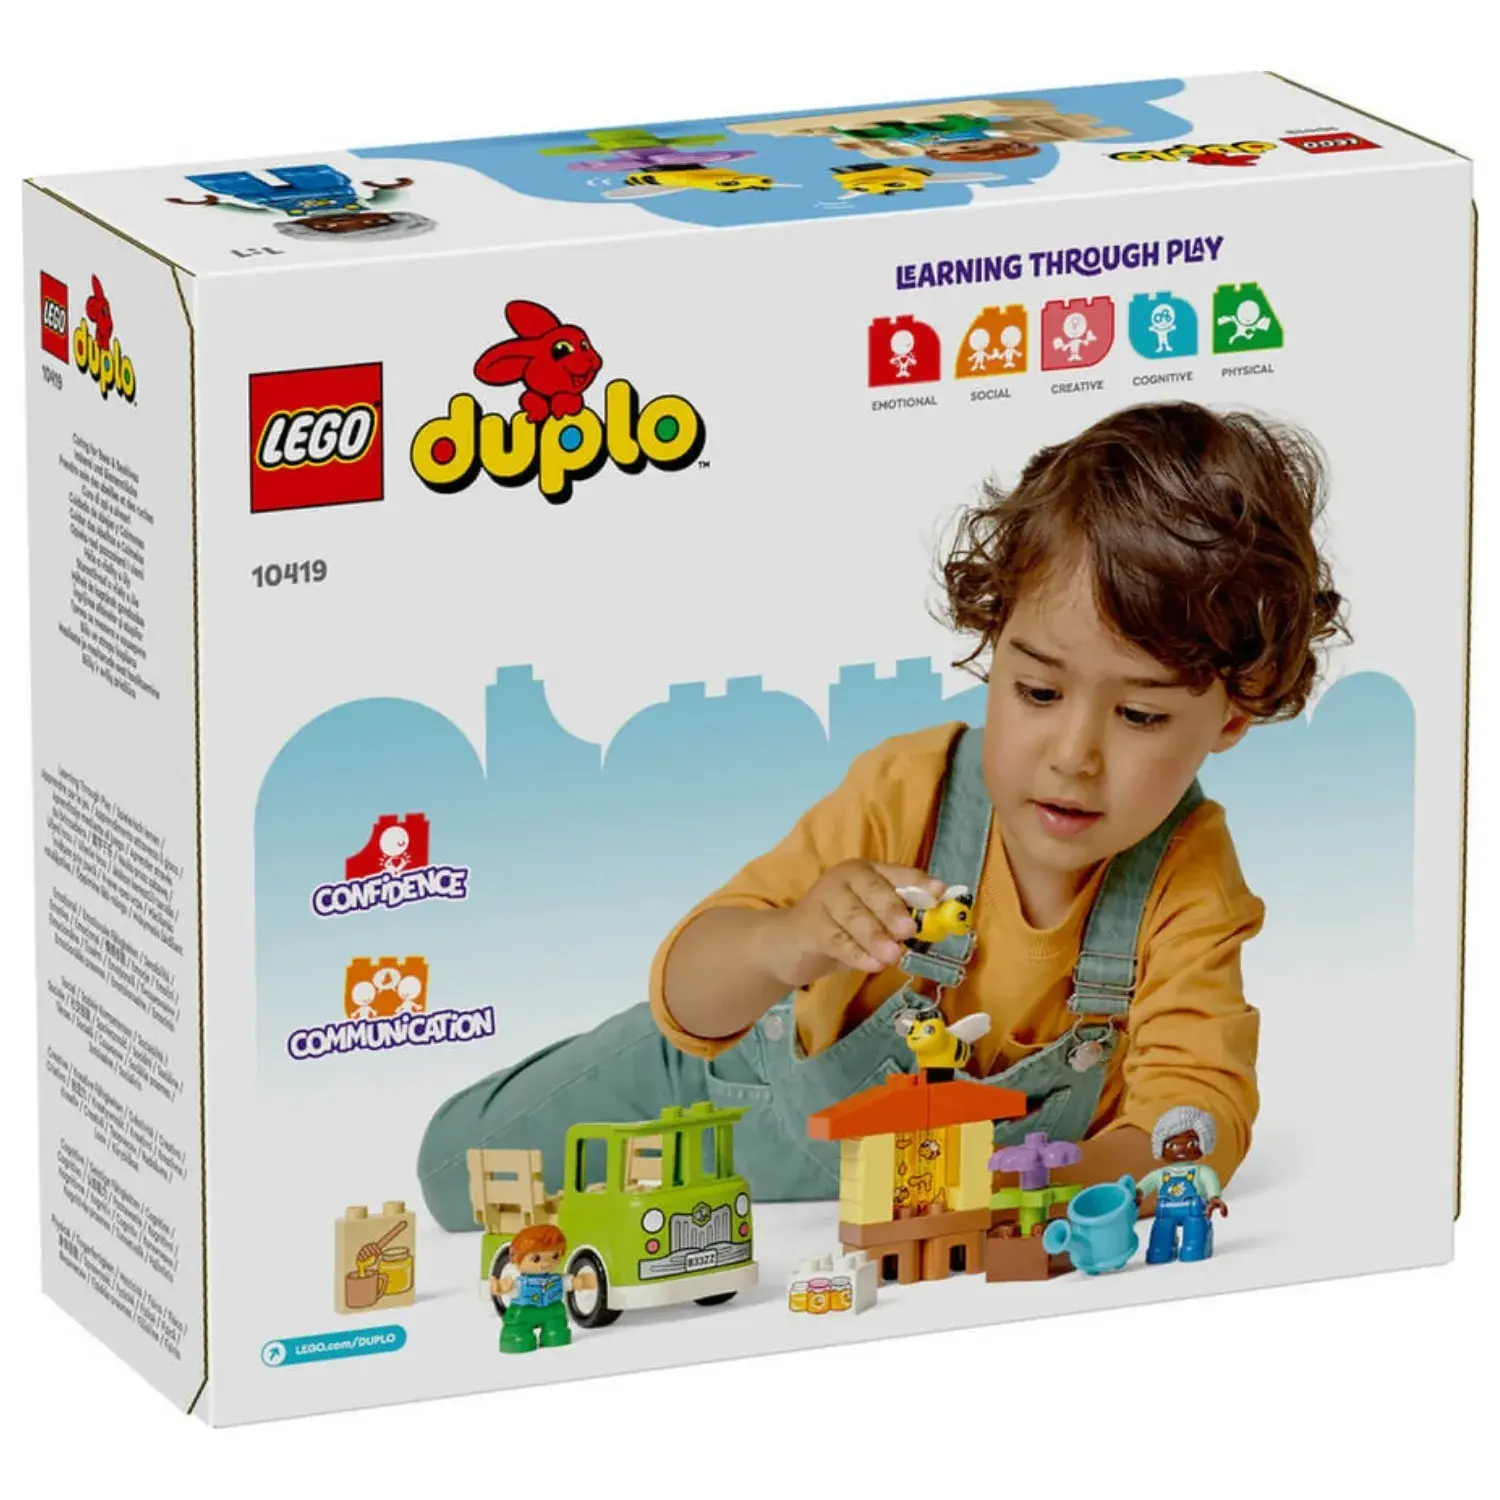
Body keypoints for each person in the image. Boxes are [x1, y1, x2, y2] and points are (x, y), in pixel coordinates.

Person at [417, 402, 1344, 1231]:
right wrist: (786, 941)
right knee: (460, 1174)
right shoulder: (911, 791)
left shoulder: (1188, 876)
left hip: (900, 1187)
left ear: (1234, 714)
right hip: (740, 1082)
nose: (1075, 754)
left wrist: (1046, 1191)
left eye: (1139, 714)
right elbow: (693, 994)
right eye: (1037, 691)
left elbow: (1195, 1107)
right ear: (995, 641)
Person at [1135, 1106, 1228, 1263]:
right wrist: (1138, 1193)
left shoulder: (1200, 1171)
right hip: (1165, 1212)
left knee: (1194, 1246)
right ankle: (1161, 1250)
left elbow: (1210, 1182)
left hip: (1193, 1211)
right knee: (1159, 1246)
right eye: (1171, 1145)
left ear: (1203, 1143)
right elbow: (1146, 1184)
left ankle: (1197, 1247)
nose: (1180, 1148)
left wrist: (1214, 1197)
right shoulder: (1161, 1174)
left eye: (1191, 1143)